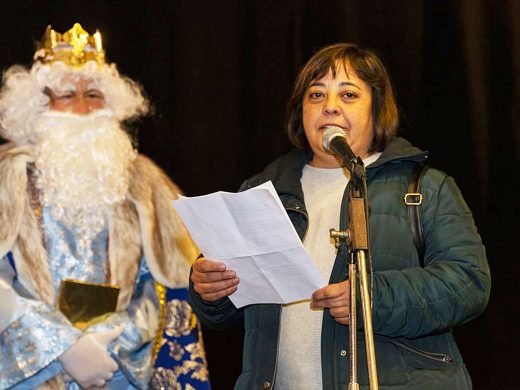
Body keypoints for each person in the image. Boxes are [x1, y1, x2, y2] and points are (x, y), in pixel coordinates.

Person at [189, 43, 491, 389]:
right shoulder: (261, 190)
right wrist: (208, 289)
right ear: (300, 111)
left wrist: (371, 298)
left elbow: (469, 283)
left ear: (377, 110)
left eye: (348, 95)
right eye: (316, 95)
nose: (329, 106)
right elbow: (222, 313)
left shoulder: (423, 188)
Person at [0, 23, 209, 389]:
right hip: (30, 370)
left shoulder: (145, 182)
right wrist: (63, 347)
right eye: (67, 95)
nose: (83, 108)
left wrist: (114, 342)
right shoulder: (6, 177)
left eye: (94, 94)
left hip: (120, 371)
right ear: (38, 104)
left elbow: (161, 284)